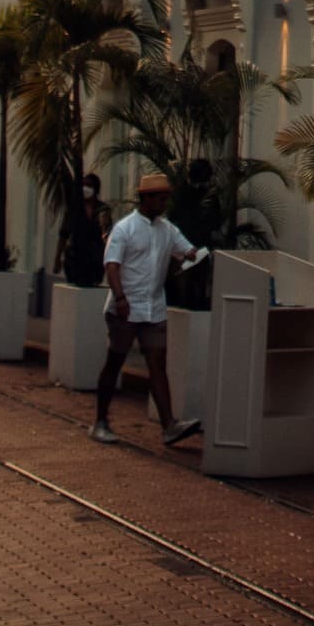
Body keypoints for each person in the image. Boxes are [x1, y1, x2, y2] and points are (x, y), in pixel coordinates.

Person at [90, 172, 205, 444]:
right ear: (146, 198)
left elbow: (187, 251)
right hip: (126, 308)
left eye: (166, 199)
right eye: (160, 199)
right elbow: (112, 266)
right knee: (115, 361)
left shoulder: (168, 229)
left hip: (154, 307)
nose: (163, 204)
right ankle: (100, 421)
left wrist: (193, 255)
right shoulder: (125, 228)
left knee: (157, 364)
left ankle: (169, 425)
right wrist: (120, 298)